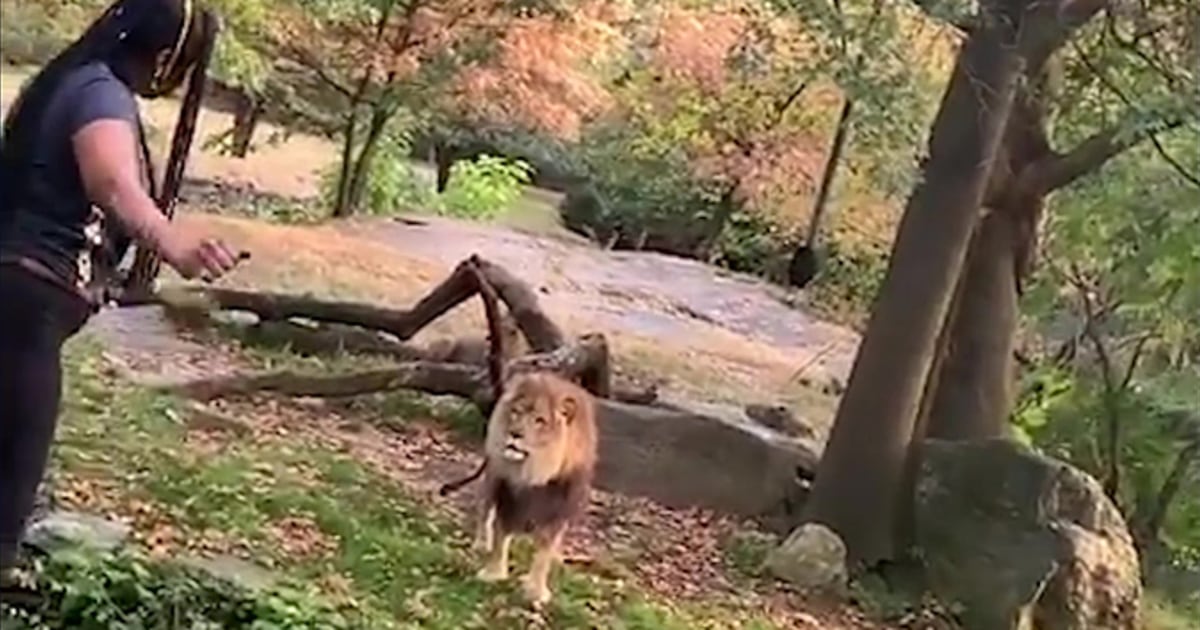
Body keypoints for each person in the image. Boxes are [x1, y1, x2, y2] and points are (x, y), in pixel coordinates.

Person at [0, 0, 240, 573]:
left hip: (18, 295)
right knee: (11, 474)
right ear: (165, 57)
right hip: (31, 298)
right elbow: (111, 181)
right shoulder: (102, 93)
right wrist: (172, 241)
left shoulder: (70, 80)